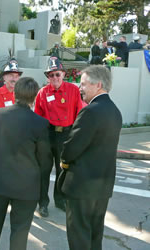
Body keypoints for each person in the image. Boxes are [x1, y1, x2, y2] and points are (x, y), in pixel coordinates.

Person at [0, 77, 51, 250]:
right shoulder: (40, 123)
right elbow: (44, 160)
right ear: (34, 97)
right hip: (26, 186)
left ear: (15, 93)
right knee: (20, 231)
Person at [60, 65, 122, 250]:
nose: (80, 88)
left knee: (79, 236)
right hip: (102, 187)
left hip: (82, 187)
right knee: (95, 235)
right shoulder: (115, 111)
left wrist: (64, 158)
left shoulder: (90, 111)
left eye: (84, 84)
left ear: (99, 85)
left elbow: (72, 148)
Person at [34, 57, 82, 216]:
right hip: (47, 136)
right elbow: (37, 117)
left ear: (63, 74)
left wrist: (75, 137)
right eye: (51, 75)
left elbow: (78, 114)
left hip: (66, 135)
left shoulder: (73, 90)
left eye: (57, 74)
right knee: (44, 170)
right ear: (47, 77)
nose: (54, 78)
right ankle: (42, 202)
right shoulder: (43, 92)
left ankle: (60, 200)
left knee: (62, 170)